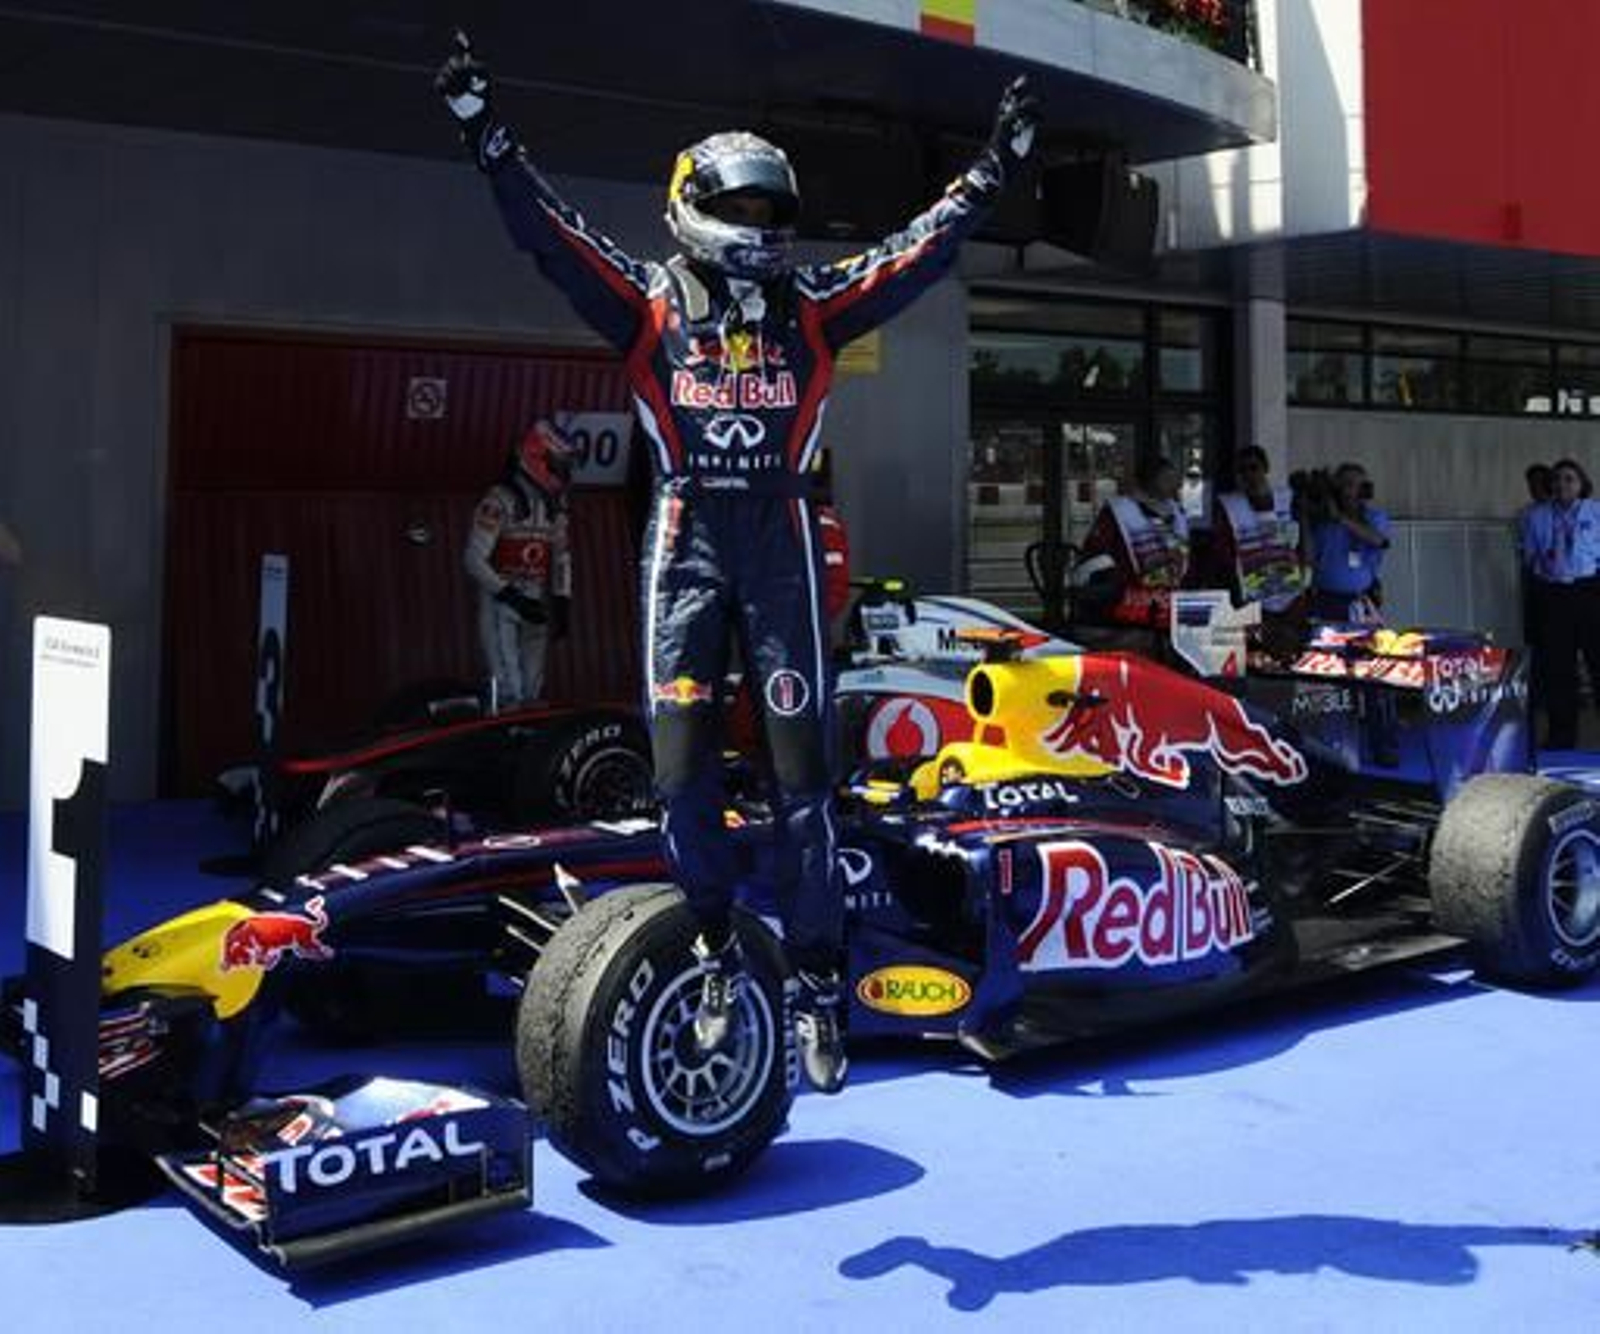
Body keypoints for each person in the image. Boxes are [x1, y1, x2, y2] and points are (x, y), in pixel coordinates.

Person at [436, 34, 1040, 1093]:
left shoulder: (814, 307)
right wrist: (487, 130)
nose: (758, 228)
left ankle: (815, 979)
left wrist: (989, 172)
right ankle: (712, 941)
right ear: (690, 203)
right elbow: (549, 236)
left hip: (785, 543)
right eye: (741, 208)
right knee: (678, 772)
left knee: (804, 775)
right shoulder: (646, 302)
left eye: (771, 210)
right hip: (685, 539)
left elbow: (917, 251)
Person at [463, 418, 575, 709]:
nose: (564, 472)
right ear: (537, 459)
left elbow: (562, 556)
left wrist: (562, 601)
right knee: (508, 693)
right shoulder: (499, 499)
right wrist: (512, 597)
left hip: (536, 605)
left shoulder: (557, 504)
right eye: (558, 464)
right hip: (501, 605)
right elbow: (473, 560)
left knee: (533, 696)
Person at [1520, 457, 1600, 751]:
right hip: (1554, 594)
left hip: (1590, 590)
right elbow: (1529, 556)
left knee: (1597, 661)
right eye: (1557, 479)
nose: (1562, 484)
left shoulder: (1596, 511)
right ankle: (1561, 737)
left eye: (1569, 478)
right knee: (1558, 669)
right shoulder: (1536, 515)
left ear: (1581, 484)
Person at [1071, 454, 1191, 630]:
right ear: (1150, 479)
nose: (1176, 484)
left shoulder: (1177, 511)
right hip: (1131, 609)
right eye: (1168, 478)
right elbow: (1097, 556)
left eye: (1175, 478)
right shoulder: (1119, 511)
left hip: (1172, 605)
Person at [1211, 445, 1307, 616]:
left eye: (1254, 468)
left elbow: (1305, 542)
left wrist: (1307, 577)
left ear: (1265, 468)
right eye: (1242, 470)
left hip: (1291, 593)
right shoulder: (1229, 506)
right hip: (1251, 595)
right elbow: (1223, 554)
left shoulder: (1289, 499)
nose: (1249, 475)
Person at [1305, 462, 1390, 622]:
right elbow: (1308, 559)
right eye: (1345, 484)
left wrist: (1340, 518)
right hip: (1324, 599)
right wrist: (1305, 518)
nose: (1349, 491)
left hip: (1359, 601)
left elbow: (1379, 540)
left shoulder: (1374, 516)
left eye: (1355, 485)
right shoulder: (1322, 521)